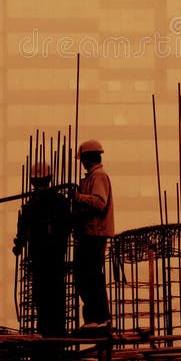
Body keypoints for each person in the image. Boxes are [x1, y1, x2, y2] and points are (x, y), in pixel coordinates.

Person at [13, 160, 72, 336]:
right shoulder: (59, 202)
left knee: (44, 297)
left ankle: (47, 332)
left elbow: (23, 230)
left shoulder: (31, 205)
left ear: (32, 182)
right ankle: (56, 332)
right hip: (54, 257)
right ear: (50, 178)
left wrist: (19, 244)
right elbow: (70, 224)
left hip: (42, 258)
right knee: (55, 295)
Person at [72, 139, 114, 329]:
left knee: (92, 276)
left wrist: (78, 197)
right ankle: (93, 318)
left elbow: (99, 202)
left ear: (89, 158)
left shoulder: (99, 177)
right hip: (88, 233)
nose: (82, 162)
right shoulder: (91, 178)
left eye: (83, 159)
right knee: (85, 276)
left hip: (95, 233)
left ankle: (99, 318)